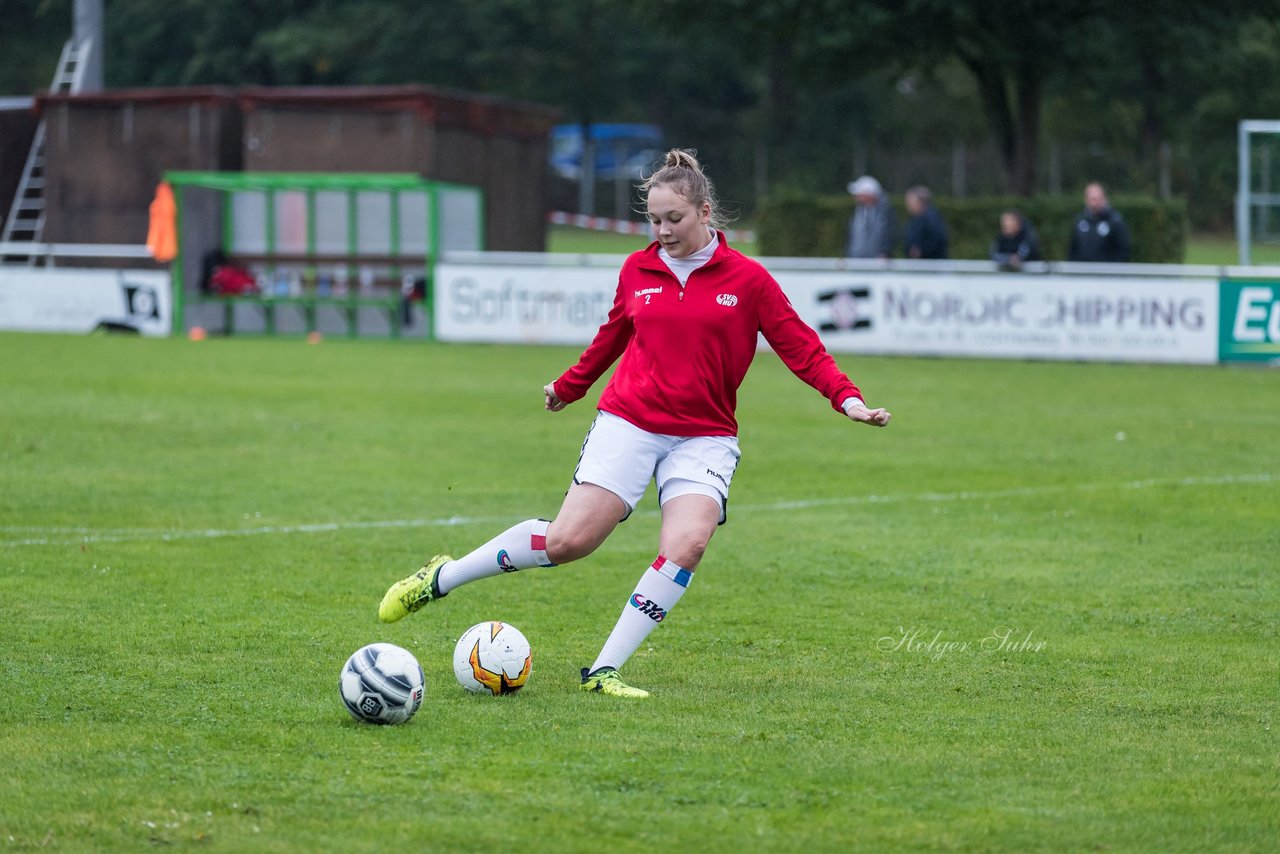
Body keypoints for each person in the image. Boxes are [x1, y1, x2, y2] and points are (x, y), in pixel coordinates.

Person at [378, 149, 892, 698]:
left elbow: (801, 346)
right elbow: (613, 337)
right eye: (654, 220)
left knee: (687, 544)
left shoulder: (748, 280)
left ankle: (603, 671)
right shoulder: (637, 268)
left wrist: (847, 399)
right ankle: (442, 577)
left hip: (705, 435)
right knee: (568, 541)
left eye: (674, 219)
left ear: (705, 212)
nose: (663, 231)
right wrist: (570, 386)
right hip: (630, 421)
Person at [1068, 182, 1130, 262]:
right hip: (1084, 272)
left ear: (1104, 199)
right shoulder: (1080, 221)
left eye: (1097, 199)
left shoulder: (1115, 221)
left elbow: (1123, 249)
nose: (1095, 203)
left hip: (1107, 272)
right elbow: (1072, 249)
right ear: (1086, 200)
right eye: (1092, 199)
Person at [846, 175, 896, 259]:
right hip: (856, 260)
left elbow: (891, 234)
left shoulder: (886, 212)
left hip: (878, 262)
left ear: (869, 194)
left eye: (859, 194)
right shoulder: (858, 212)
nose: (856, 197)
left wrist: (885, 252)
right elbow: (851, 237)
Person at [902, 185, 949, 259]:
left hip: (932, 265)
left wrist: (921, 251)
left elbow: (938, 239)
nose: (908, 204)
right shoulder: (914, 219)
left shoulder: (932, 218)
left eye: (910, 201)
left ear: (920, 202)